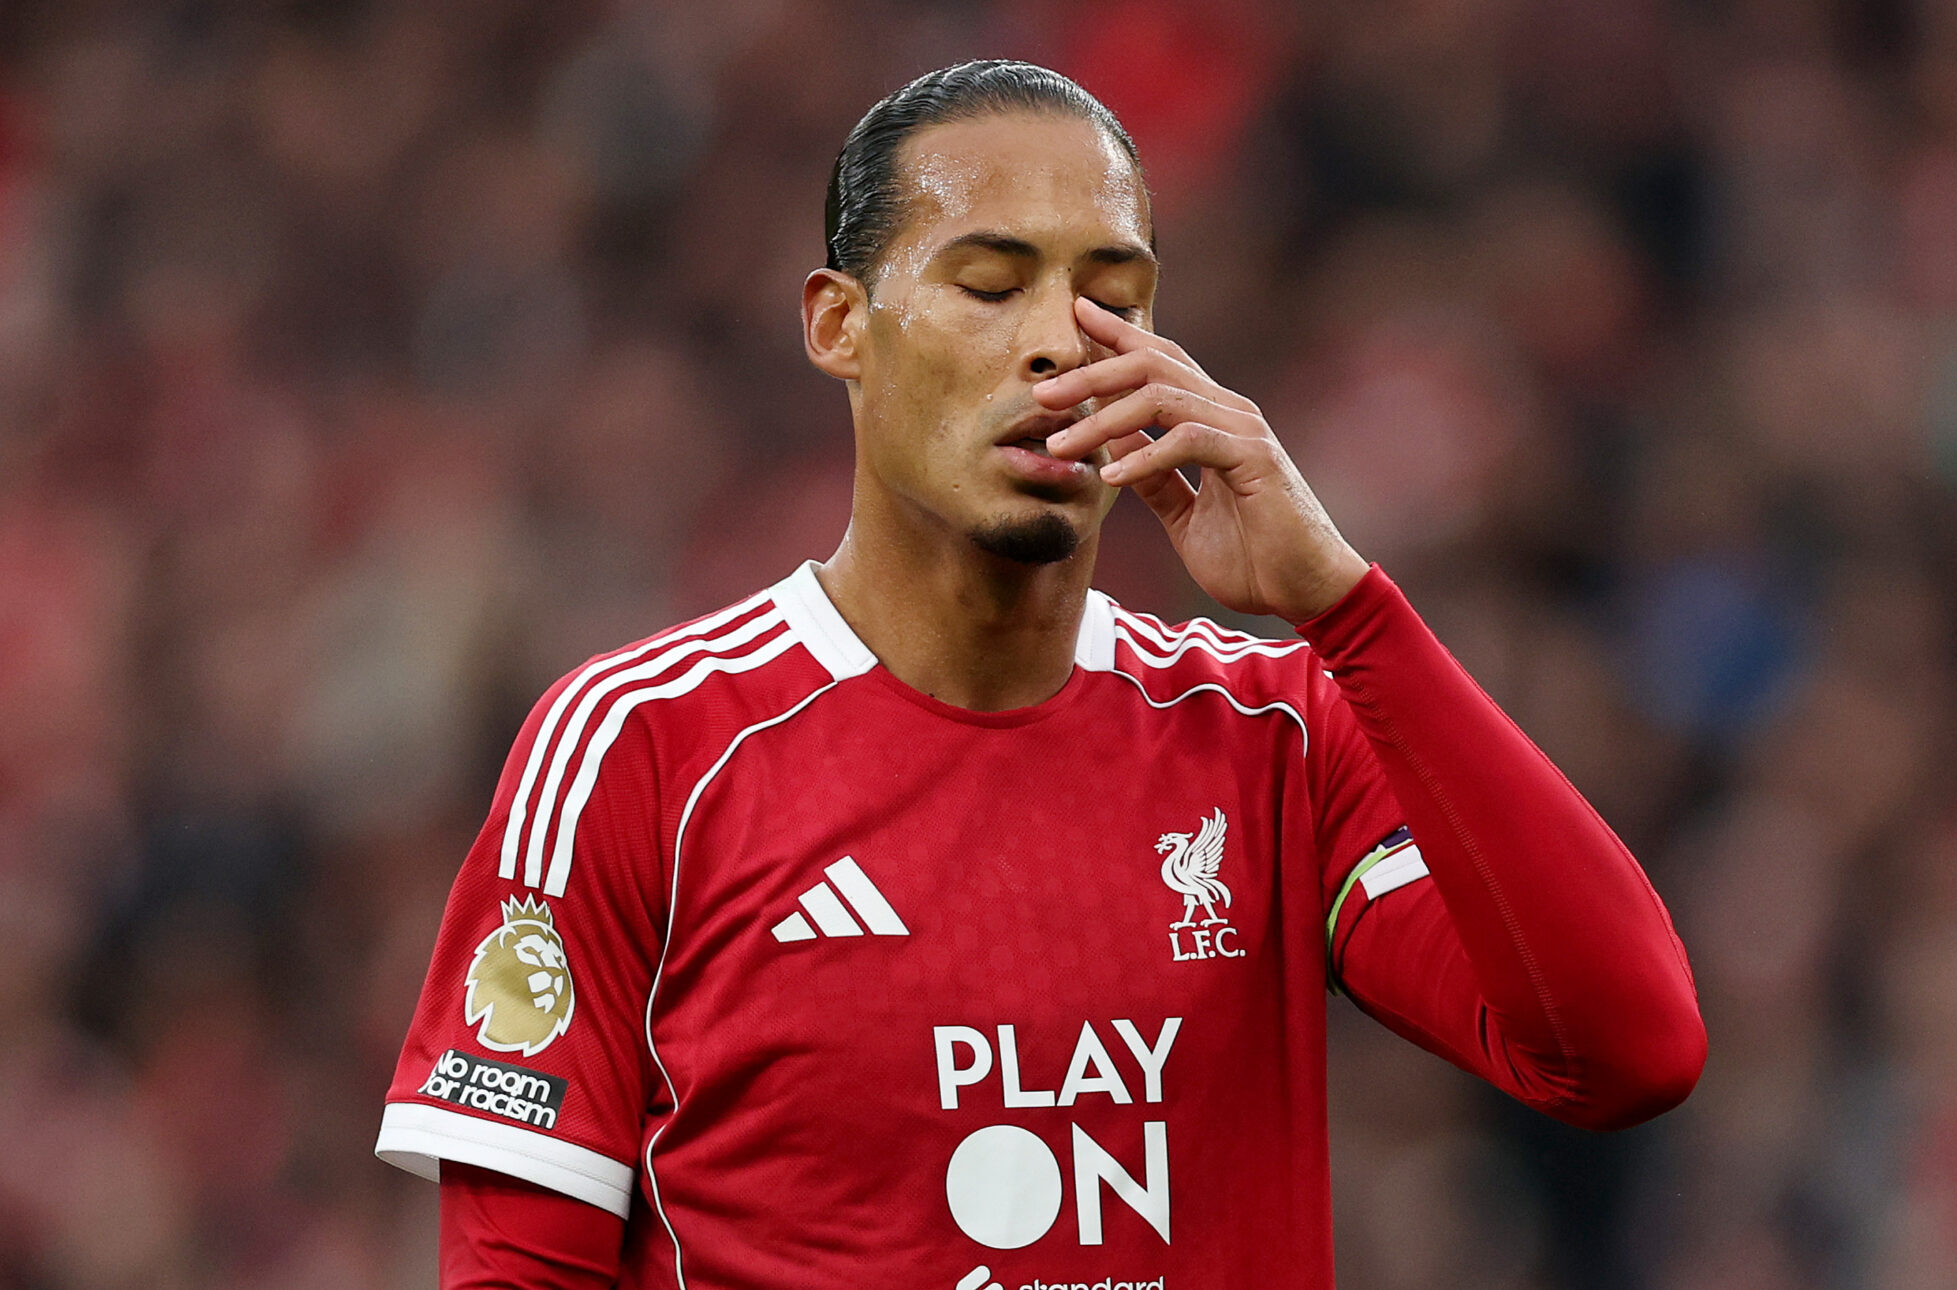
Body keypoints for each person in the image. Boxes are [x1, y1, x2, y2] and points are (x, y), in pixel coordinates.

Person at [376, 60, 1706, 1289]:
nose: (1064, 344)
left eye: (1111, 299)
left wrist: (1349, 612)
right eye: (991, 284)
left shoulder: (1273, 733)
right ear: (840, 325)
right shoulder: (641, 749)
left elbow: (1626, 1052)